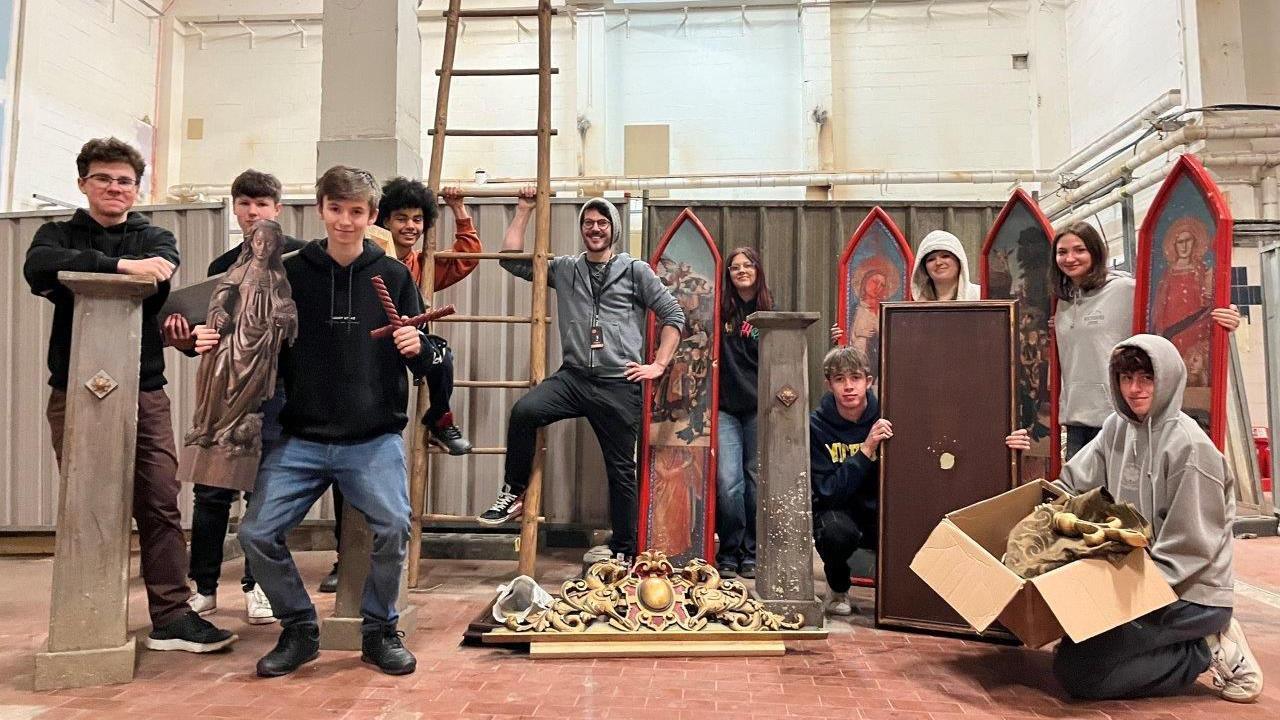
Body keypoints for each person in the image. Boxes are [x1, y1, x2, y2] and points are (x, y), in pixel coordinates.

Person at [23, 137, 236, 652]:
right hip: (75, 391)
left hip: (143, 391)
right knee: (87, 502)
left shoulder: (155, 236)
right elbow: (39, 267)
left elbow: (161, 274)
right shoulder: (55, 233)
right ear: (83, 183)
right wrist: (120, 267)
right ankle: (86, 615)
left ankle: (171, 616)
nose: (114, 188)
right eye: (104, 178)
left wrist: (105, 269)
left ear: (137, 189)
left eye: (125, 181)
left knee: (161, 502)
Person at [227, 166, 432, 677]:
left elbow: (429, 354)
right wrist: (197, 338)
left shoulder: (395, 276)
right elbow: (245, 333)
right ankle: (299, 628)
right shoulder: (291, 273)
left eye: (356, 212)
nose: (345, 220)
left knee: (392, 527)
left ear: (370, 216)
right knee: (256, 533)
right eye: (336, 209)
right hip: (303, 436)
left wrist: (421, 348)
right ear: (320, 208)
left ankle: (379, 630)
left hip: (372, 438)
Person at [1006, 335, 1262, 703]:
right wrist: (1039, 518)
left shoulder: (1192, 450)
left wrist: (1115, 592)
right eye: (1126, 379)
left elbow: (1189, 551)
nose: (1134, 389)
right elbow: (1072, 485)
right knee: (1070, 653)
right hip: (1136, 573)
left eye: (1146, 379)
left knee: (1084, 675)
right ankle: (1171, 644)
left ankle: (1205, 650)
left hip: (1188, 592)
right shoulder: (1117, 427)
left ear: (1167, 379)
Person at [484, 188, 685, 564]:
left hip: (618, 383)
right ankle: (513, 492)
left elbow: (674, 315)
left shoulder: (634, 270)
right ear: (581, 229)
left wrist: (657, 364)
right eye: (588, 223)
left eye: (602, 222)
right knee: (525, 411)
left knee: (622, 470)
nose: (595, 229)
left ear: (614, 228)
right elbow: (509, 260)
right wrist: (524, 210)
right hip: (574, 377)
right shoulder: (565, 268)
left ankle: (625, 549)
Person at [164, 169, 306, 623]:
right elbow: (210, 332)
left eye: (262, 204)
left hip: (282, 389)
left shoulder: (301, 259)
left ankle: (257, 584)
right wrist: (189, 337)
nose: (253, 212)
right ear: (235, 208)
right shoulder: (220, 267)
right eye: (245, 204)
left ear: (277, 210)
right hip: (226, 391)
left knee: (264, 492)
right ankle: (204, 586)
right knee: (211, 491)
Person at [1048, 222, 1238, 460]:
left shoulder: (1125, 289)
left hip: (1118, 416)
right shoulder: (1063, 302)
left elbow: (1170, 318)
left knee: (1119, 495)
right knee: (1079, 494)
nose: (1070, 258)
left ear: (1095, 252)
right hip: (1075, 419)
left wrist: (1223, 314)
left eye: (1079, 250)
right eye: (1062, 252)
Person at [809, 346, 892, 617]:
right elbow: (826, 492)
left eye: (855, 378)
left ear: (869, 382)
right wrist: (866, 451)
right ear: (829, 384)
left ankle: (901, 595)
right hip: (839, 509)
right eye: (839, 379)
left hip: (879, 508)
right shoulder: (816, 427)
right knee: (834, 532)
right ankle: (837, 586)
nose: (848, 387)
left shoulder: (888, 417)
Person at [714, 246, 772, 579]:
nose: (741, 271)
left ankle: (752, 552)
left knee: (755, 484)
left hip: (758, 410)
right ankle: (730, 550)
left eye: (747, 265)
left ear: (757, 270)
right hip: (724, 410)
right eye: (734, 267)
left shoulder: (768, 312)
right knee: (728, 483)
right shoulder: (720, 312)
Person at [909, 230, 980, 301]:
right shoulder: (913, 301)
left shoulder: (979, 295)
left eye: (945, 256)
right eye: (931, 259)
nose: (938, 263)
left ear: (959, 261)